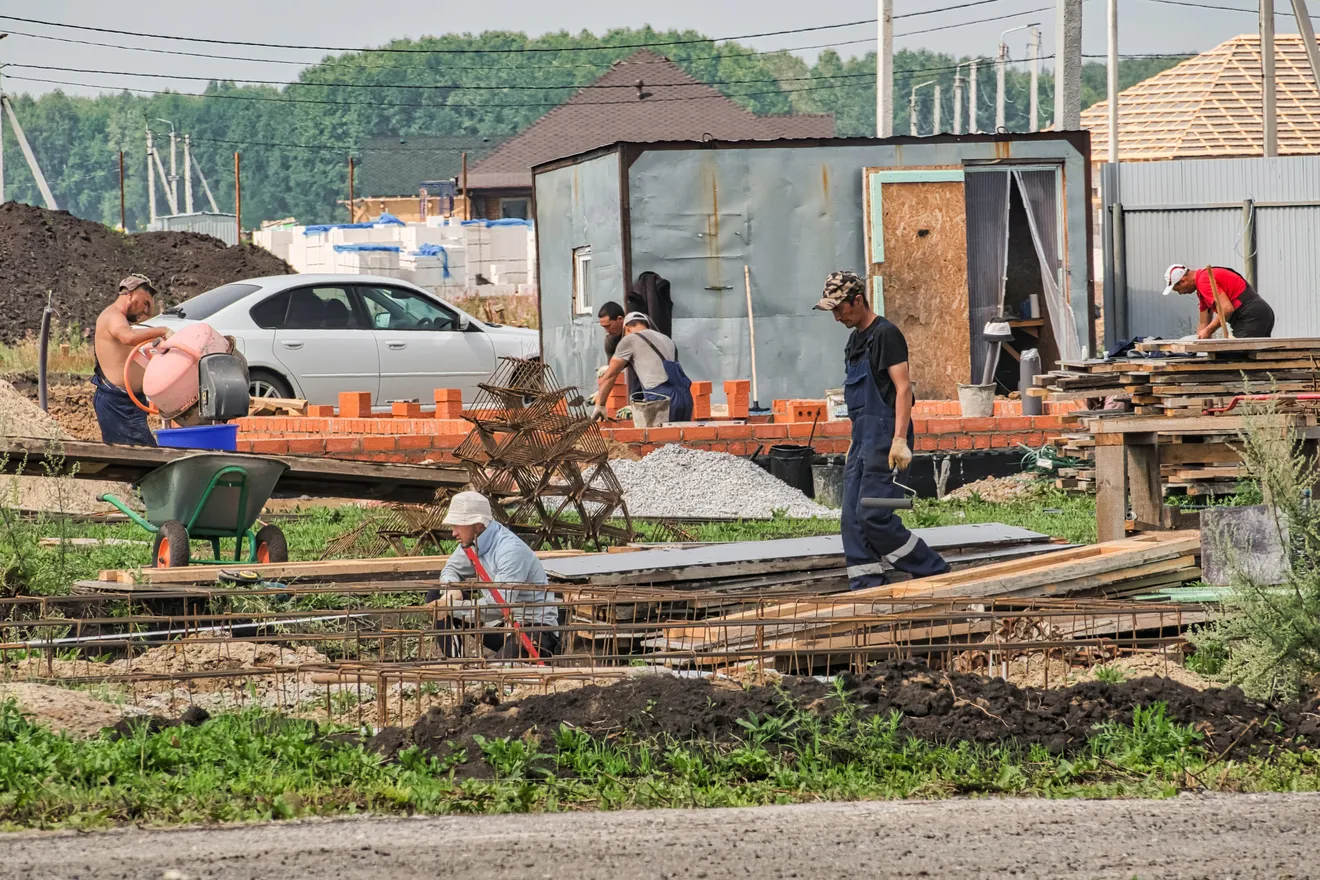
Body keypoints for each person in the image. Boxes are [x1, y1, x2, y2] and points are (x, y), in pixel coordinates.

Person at [815, 271, 949, 591]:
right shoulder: (854, 341)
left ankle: (935, 572)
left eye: (840, 308)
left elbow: (903, 390)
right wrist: (854, 442)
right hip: (862, 440)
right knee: (851, 519)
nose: (836, 316)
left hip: (887, 439)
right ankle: (869, 589)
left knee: (875, 515)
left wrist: (900, 440)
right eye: (831, 310)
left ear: (858, 300)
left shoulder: (886, 334)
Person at [426, 491, 560, 660]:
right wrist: (451, 591)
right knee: (435, 595)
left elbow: (498, 607)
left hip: (533, 628)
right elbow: (451, 569)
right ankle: (455, 662)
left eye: (458, 525)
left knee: (498, 672)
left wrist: (451, 608)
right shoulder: (470, 541)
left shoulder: (509, 550)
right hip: (502, 625)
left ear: (479, 525)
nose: (453, 533)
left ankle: (505, 658)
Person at [92, 275, 170, 446]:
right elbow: (127, 337)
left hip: (128, 402)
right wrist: (162, 330)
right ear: (130, 294)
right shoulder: (113, 316)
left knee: (139, 458)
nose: (147, 312)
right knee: (142, 459)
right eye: (146, 303)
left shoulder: (120, 319)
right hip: (118, 404)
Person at [592, 312, 693, 423]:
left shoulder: (629, 339)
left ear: (626, 329)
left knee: (658, 439)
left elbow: (611, 375)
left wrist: (600, 405)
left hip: (660, 399)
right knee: (680, 438)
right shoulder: (667, 340)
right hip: (685, 398)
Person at [1162, 264, 1275, 339]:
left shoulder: (1204, 280)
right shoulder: (1201, 289)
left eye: (1178, 290)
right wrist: (1199, 343)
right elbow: (1203, 323)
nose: (1180, 293)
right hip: (1258, 313)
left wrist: (1209, 331)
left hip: (1251, 315)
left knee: (1239, 357)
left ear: (1183, 281)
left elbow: (1227, 309)